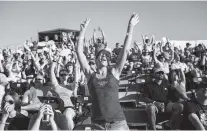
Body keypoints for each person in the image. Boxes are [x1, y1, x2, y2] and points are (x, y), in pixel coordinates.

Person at [76, 13, 139, 130]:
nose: (103, 56)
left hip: (117, 123)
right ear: (95, 59)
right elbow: (79, 53)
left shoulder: (114, 72)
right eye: (100, 55)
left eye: (106, 55)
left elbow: (125, 50)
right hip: (97, 124)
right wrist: (82, 32)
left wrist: (130, 27)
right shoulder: (91, 75)